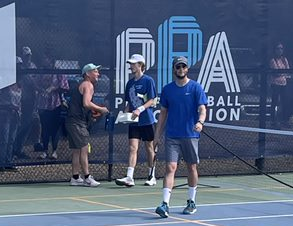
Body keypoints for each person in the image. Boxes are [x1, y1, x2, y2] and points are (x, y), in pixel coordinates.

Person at [154, 56, 207, 217]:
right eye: (178, 67)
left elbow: (202, 109)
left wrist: (200, 122)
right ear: (174, 70)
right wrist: (157, 135)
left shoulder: (196, 88)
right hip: (172, 136)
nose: (181, 70)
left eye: (183, 67)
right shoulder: (168, 90)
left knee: (191, 167)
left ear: (187, 69)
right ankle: (164, 204)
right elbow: (163, 114)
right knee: (170, 167)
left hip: (190, 135)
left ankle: (191, 201)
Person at [115, 53, 158, 187]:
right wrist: (124, 113)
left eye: (133, 64)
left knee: (149, 147)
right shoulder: (130, 83)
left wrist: (140, 109)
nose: (131, 66)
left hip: (146, 120)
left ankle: (152, 176)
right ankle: (129, 177)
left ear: (140, 65)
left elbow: (152, 100)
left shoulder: (148, 81)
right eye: (130, 64)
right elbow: (128, 103)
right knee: (133, 147)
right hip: (134, 122)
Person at [65, 63, 109, 187]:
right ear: (88, 74)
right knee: (84, 149)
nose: (98, 74)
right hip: (77, 122)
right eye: (95, 71)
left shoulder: (82, 85)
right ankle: (87, 178)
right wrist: (101, 109)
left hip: (72, 121)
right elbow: (86, 103)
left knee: (76, 151)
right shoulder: (88, 85)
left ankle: (75, 178)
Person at [35, 53, 69, 160]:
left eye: (45, 59)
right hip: (43, 104)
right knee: (45, 128)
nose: (43, 61)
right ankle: (45, 151)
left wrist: (54, 88)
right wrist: (41, 89)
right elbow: (35, 84)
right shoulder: (41, 71)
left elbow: (65, 87)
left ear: (50, 60)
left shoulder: (58, 71)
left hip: (56, 103)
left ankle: (54, 151)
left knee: (54, 129)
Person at [269, 43, 291, 125]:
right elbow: (276, 72)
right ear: (275, 50)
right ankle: (273, 120)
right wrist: (283, 73)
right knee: (274, 102)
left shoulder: (284, 59)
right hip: (275, 84)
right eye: (278, 48)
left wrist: (282, 73)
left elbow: (288, 70)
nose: (279, 50)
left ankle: (284, 120)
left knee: (285, 102)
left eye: (281, 48)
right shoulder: (272, 60)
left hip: (284, 84)